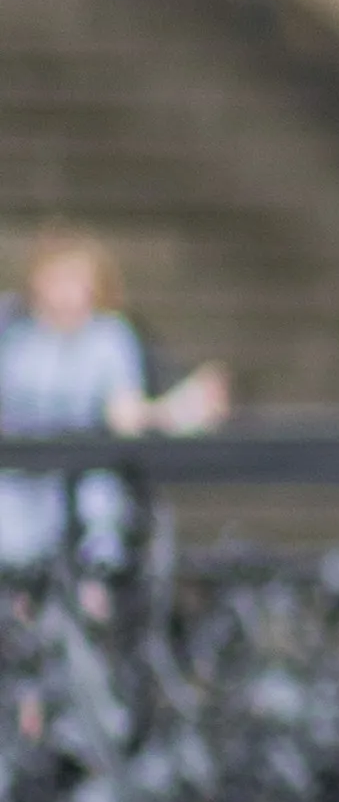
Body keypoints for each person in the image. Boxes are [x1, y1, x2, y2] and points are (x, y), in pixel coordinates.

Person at [0, 231, 225, 576]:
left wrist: (180, 410)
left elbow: (125, 415)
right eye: (57, 280)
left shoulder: (110, 339)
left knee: (98, 508)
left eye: (76, 281)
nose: (66, 293)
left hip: (85, 480)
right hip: (16, 481)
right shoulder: (15, 336)